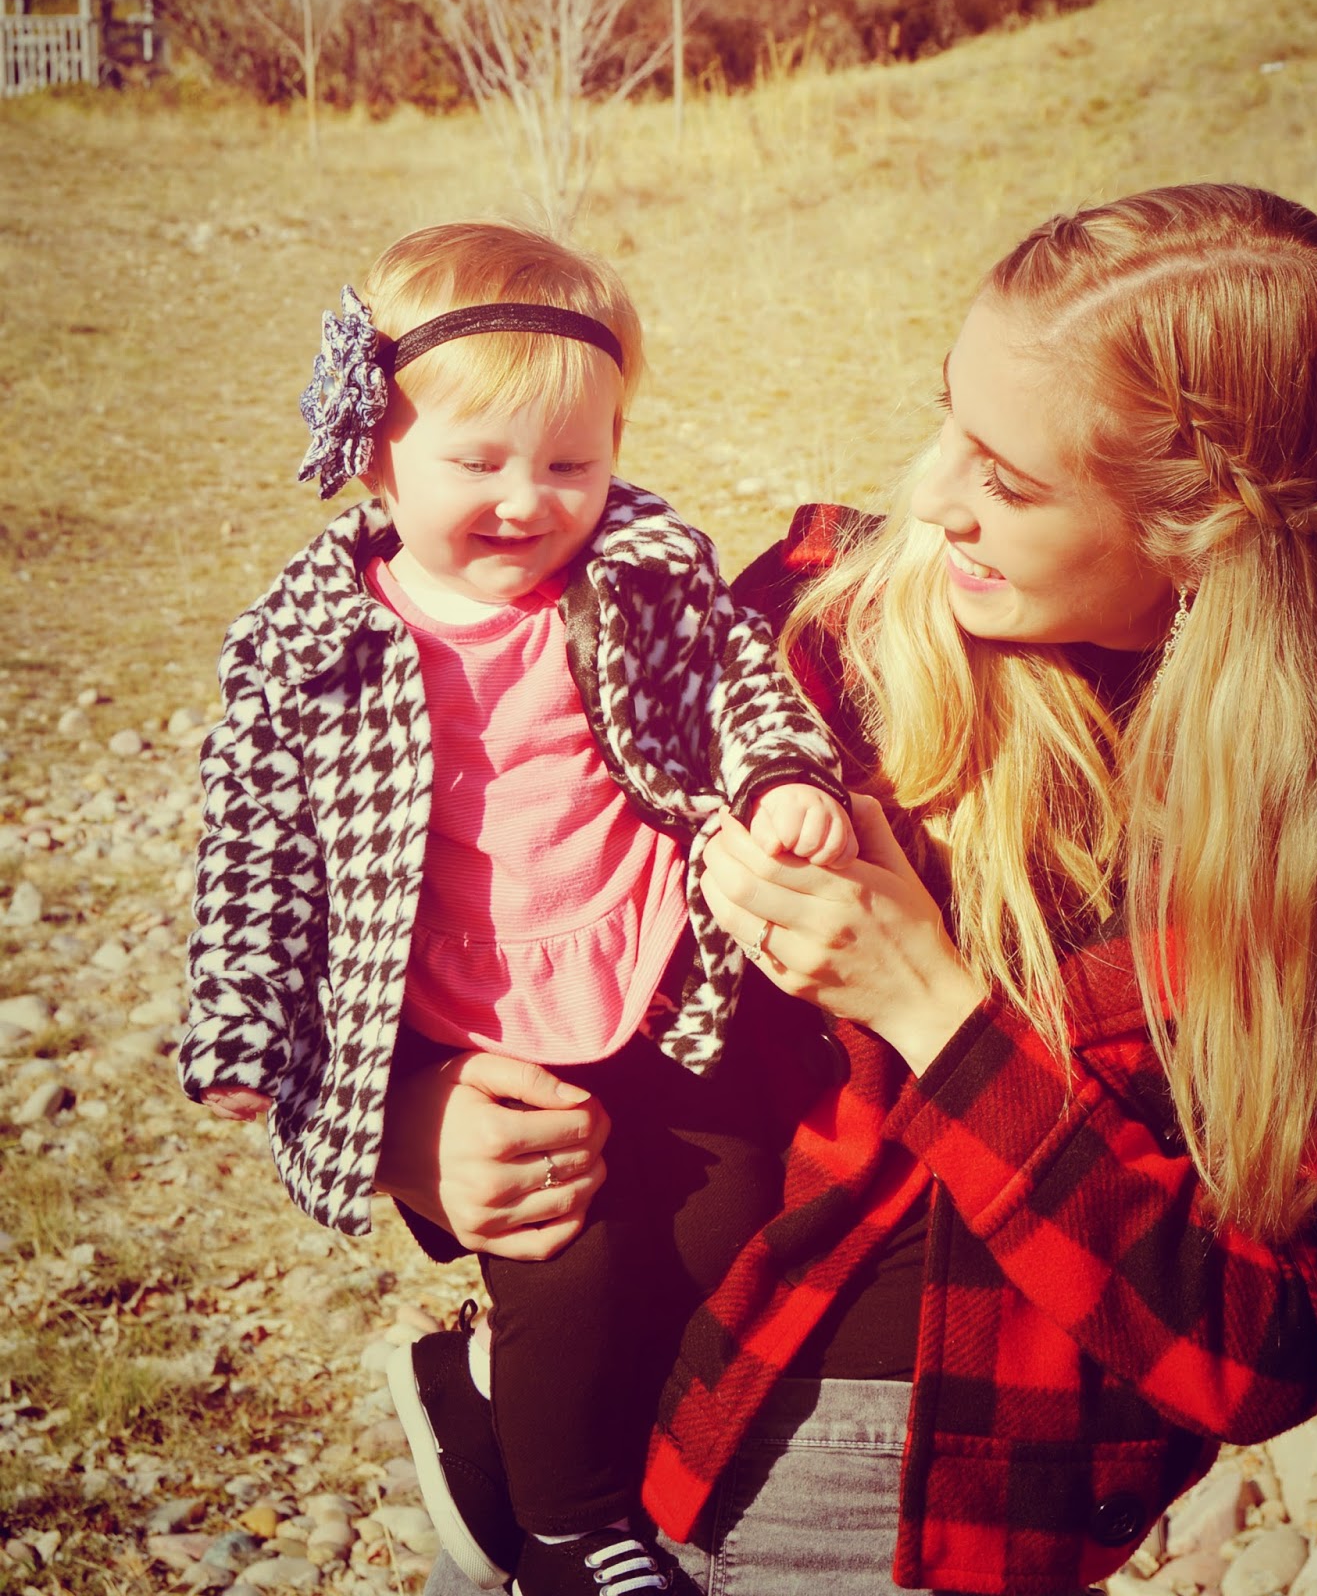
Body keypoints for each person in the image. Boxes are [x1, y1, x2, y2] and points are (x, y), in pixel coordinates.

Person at [395, 184, 1317, 1596]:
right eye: (951, 421)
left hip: (890, 1496)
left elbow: (1262, 1347)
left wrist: (932, 1008)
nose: (932, 498)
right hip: (586, 1400)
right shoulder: (826, 628)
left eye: (1012, 482)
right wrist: (417, 1124)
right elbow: (489, 886)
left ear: (1207, 528)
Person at [178, 220, 860, 1596]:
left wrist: (785, 772)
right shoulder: (308, 641)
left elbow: (737, 680)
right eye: (477, 463)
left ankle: (525, 1411)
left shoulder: (644, 572)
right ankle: (568, 1523)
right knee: (567, 1263)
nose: (527, 501)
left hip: (652, 972)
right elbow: (255, 844)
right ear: (376, 453)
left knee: (727, 1224)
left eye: (569, 464)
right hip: (473, 1018)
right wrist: (244, 1017)